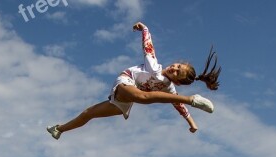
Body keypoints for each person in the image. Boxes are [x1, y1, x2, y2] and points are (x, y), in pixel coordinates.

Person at [46, 22, 218, 141]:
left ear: (177, 82)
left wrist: (192, 123)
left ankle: (59, 129)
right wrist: (145, 29)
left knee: (90, 113)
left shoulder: (169, 88)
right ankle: (192, 98)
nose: (174, 68)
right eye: (177, 66)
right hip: (125, 82)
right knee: (137, 98)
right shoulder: (154, 67)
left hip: (126, 100)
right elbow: (148, 46)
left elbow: (179, 107)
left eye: (177, 73)